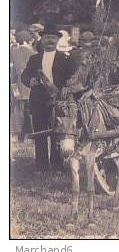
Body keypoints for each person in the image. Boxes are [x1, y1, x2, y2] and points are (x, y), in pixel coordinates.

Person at [21, 24, 77, 172]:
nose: (50, 41)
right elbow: (24, 75)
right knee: (40, 133)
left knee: (57, 133)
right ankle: (41, 166)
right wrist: (29, 80)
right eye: (47, 38)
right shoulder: (34, 59)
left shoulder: (66, 58)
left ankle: (57, 165)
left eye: (53, 38)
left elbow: (72, 77)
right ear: (42, 39)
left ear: (58, 40)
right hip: (38, 101)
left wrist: (65, 89)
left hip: (59, 101)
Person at [10, 30, 36, 141]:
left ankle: (16, 135)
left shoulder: (13, 52)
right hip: (31, 89)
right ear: (27, 41)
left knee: (18, 112)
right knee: (31, 113)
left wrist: (15, 90)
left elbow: (13, 73)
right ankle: (32, 135)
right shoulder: (33, 54)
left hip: (18, 89)